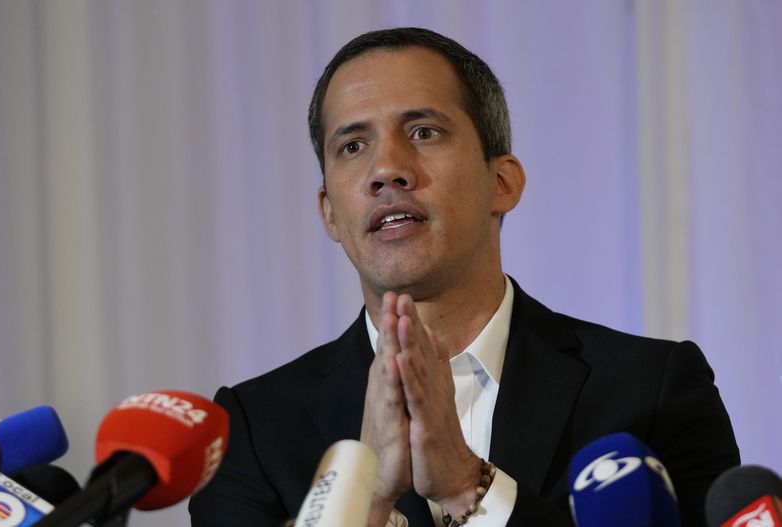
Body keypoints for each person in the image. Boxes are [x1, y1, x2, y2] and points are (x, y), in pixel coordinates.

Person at [189, 27, 739, 526]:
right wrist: (368, 500)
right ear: (330, 211)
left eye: (424, 132)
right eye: (352, 147)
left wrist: (466, 485)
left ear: (502, 182)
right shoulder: (252, 432)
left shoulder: (653, 390)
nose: (386, 170)